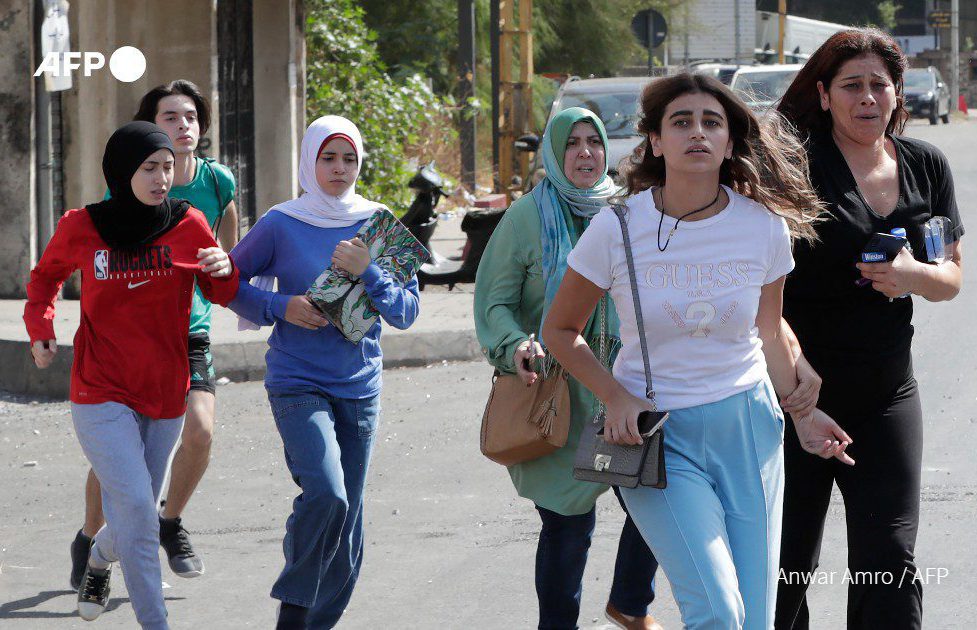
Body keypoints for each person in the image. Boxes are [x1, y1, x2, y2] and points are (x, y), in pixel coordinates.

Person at [542, 73, 854, 629]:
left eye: (712, 123)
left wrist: (803, 413)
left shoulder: (762, 227)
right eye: (680, 122)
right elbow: (560, 330)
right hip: (656, 435)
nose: (697, 133)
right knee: (717, 610)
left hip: (750, 429)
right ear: (656, 142)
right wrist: (612, 396)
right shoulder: (616, 228)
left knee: (756, 619)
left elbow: (769, 327)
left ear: (730, 143)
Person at [774, 29, 964, 630]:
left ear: (896, 92)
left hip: (887, 395)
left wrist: (911, 274)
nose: (867, 98)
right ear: (824, 95)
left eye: (878, 85)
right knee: (786, 564)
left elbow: (952, 277)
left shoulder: (925, 164)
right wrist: (793, 385)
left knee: (890, 561)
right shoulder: (794, 167)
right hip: (795, 393)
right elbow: (754, 290)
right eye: (851, 85)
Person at [24, 121, 238, 629]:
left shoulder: (188, 224)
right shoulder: (83, 225)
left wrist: (222, 268)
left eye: (167, 168)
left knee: (133, 507)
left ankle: (99, 557)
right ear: (123, 172)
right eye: (150, 168)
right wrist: (41, 326)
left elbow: (221, 293)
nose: (162, 178)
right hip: (99, 388)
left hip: (165, 390)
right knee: (140, 510)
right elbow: (45, 278)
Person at [227, 115, 420, 629]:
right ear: (310, 160)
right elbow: (222, 280)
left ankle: (320, 621)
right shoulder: (280, 222)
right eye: (328, 157)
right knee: (327, 493)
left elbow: (405, 311)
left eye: (349, 158)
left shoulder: (378, 222)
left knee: (348, 518)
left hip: (360, 388)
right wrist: (279, 306)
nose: (339, 168)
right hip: (297, 381)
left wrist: (369, 271)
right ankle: (294, 610)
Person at [475, 107, 664, 630]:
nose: (585, 152)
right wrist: (513, 343)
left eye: (594, 142)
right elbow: (494, 302)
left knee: (653, 504)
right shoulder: (526, 217)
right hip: (559, 391)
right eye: (573, 144)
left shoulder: (631, 211)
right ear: (555, 155)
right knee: (567, 526)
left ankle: (629, 601)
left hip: (621, 383)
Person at [69, 79, 238, 588]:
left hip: (191, 331)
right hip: (129, 343)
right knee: (120, 456)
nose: (182, 125)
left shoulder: (218, 181)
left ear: (200, 126)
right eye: (169, 117)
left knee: (201, 432)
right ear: (150, 127)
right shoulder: (127, 184)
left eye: (189, 116)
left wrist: (224, 273)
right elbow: (102, 261)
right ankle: (90, 536)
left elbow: (230, 252)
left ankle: (168, 522)